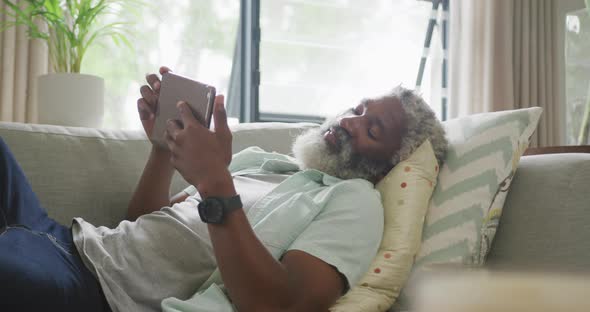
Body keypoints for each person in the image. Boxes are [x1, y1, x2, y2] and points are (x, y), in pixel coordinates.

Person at [0, 66, 447, 312]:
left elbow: (284, 304)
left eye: (372, 128)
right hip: (70, 240)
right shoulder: (264, 164)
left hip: (92, 292)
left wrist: (215, 179)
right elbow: (139, 225)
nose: (349, 121)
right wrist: (163, 147)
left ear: (392, 162)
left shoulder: (354, 204)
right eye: (357, 108)